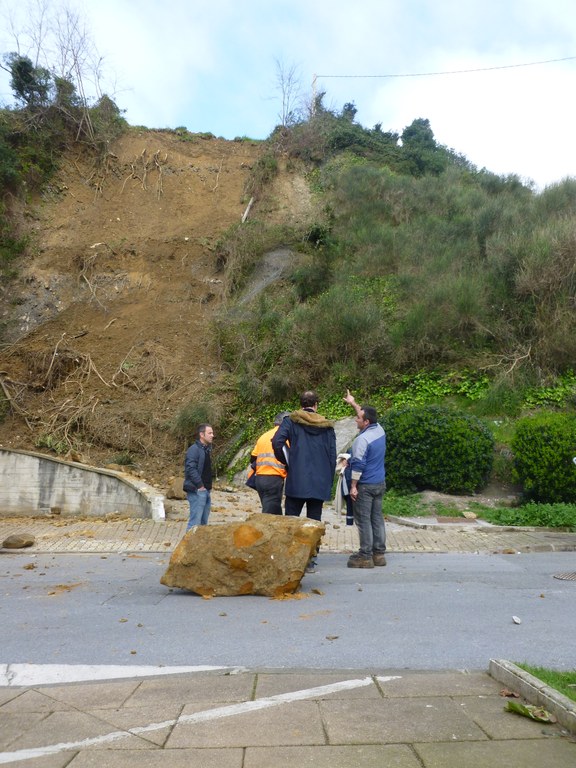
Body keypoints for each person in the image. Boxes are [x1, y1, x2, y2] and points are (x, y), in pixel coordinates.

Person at [272, 391, 336, 571]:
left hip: (297, 480)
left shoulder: (291, 421)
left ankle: (290, 557)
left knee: (291, 520)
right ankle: (311, 560)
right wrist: (328, 480)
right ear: (316, 405)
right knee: (314, 522)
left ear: (301, 404)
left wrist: (288, 461)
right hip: (319, 482)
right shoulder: (327, 426)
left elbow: (277, 442)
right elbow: (332, 456)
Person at [343, 389, 387, 568]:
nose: (356, 419)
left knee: (363, 520)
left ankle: (365, 556)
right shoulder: (379, 430)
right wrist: (354, 404)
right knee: (377, 518)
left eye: (358, 418)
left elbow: (359, 465)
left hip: (365, 484)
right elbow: (364, 413)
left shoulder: (362, 440)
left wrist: (353, 486)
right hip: (379, 483)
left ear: (366, 422)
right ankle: (379, 554)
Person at [250, 412, 290, 515]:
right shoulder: (285, 437)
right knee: (270, 514)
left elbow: (253, 457)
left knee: (273, 509)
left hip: (259, 479)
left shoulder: (263, 436)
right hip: (273, 478)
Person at [183, 423, 214, 530]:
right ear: (202, 434)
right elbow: (190, 469)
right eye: (209, 433)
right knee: (194, 524)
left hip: (206, 490)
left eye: (212, 433)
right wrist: (200, 486)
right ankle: (187, 546)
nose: (212, 435)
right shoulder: (194, 449)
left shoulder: (206, 450)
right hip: (197, 491)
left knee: (203, 524)